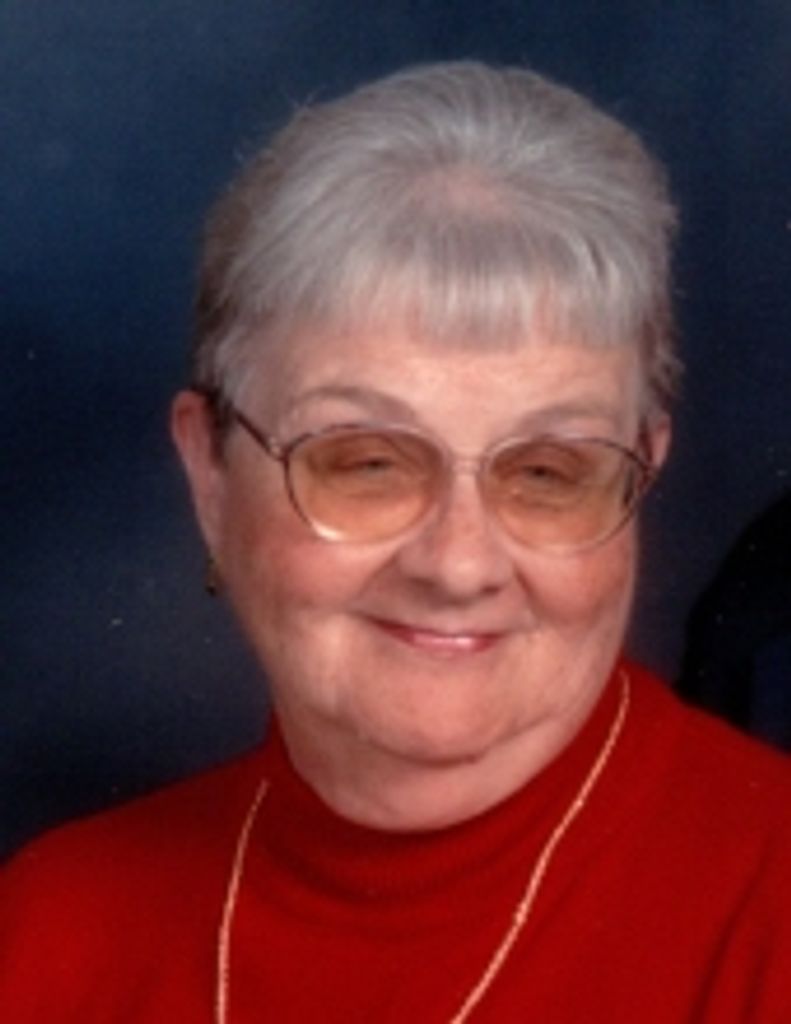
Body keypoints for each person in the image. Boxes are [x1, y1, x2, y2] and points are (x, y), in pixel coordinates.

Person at [1, 61, 789, 1022]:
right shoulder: (48, 931)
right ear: (211, 472)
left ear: (640, 474)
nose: (458, 565)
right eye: (366, 463)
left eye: (547, 473)